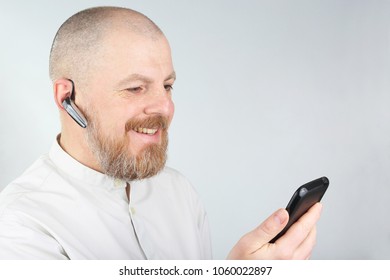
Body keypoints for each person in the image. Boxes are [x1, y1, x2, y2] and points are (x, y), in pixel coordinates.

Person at [0, 6, 322, 260]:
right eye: (136, 88)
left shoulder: (179, 193)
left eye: (167, 86)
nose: (165, 108)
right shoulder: (22, 223)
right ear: (67, 97)